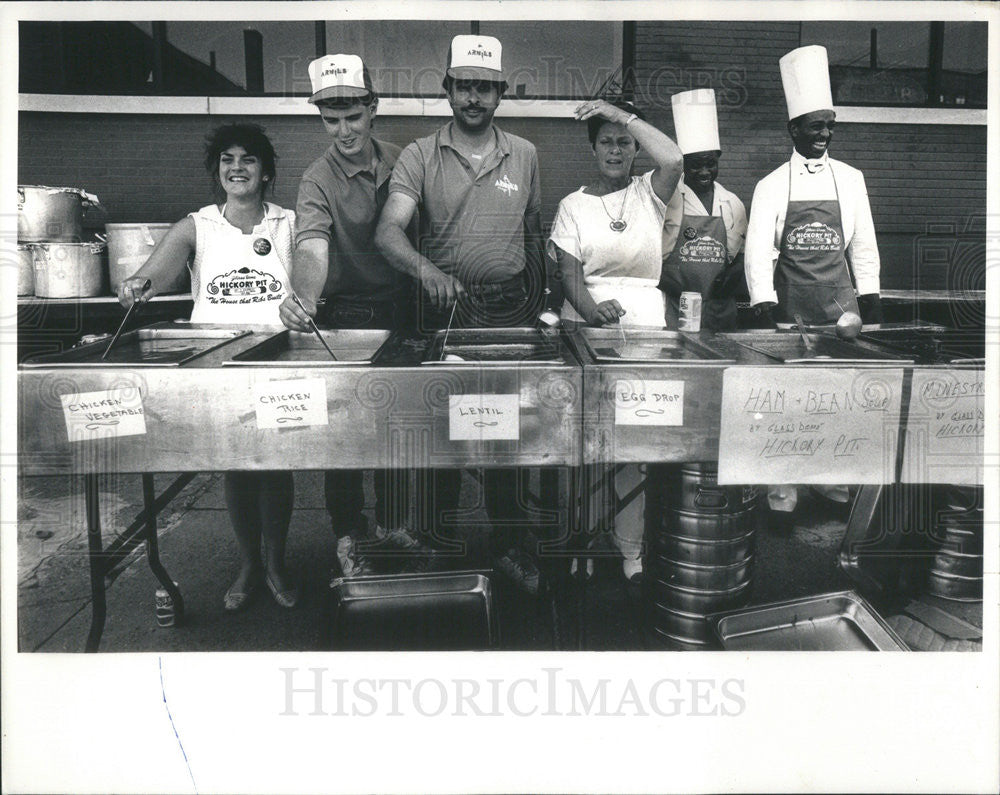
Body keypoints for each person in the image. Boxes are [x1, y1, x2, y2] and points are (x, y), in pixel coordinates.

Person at [375, 34, 546, 593]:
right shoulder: (420, 154)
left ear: (500, 93)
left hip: (506, 308)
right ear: (448, 89)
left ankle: (511, 548)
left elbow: (532, 229)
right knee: (442, 435)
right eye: (464, 86)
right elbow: (388, 231)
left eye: (485, 88)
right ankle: (437, 549)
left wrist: (540, 302)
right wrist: (427, 271)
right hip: (442, 307)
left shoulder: (523, 153)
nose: (474, 97)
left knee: (506, 433)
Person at [117, 123, 297, 611]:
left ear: (265, 172)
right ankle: (249, 564)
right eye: (227, 160)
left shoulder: (287, 223)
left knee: (278, 465)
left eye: (248, 160)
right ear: (217, 171)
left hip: (275, 360)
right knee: (237, 467)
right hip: (216, 366)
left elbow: (313, 277)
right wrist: (137, 283)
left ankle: (277, 563)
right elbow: (156, 269)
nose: (237, 168)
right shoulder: (199, 224)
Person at [278, 53, 423, 577]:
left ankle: (391, 525)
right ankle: (348, 533)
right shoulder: (317, 179)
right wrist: (304, 298)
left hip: (403, 308)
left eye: (352, 117)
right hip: (345, 315)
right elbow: (312, 246)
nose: (343, 130)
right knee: (344, 433)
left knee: (395, 426)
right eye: (330, 119)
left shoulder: (404, 158)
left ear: (373, 108)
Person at [547, 97, 684, 580]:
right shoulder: (573, 205)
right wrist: (593, 314)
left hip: (646, 328)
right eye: (606, 141)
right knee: (586, 444)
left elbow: (673, 158)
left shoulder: (652, 191)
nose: (615, 149)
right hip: (587, 330)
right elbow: (570, 278)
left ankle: (631, 547)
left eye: (623, 142)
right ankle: (582, 543)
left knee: (636, 444)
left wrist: (621, 114)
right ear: (593, 149)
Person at [745, 45, 881, 518]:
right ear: (794, 129)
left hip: (842, 313)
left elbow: (862, 244)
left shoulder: (851, 178)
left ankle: (831, 484)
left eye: (829, 125)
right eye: (815, 125)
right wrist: (764, 305)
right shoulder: (771, 184)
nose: (823, 133)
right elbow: (759, 250)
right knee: (788, 407)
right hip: (791, 312)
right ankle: (782, 491)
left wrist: (871, 299)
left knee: (838, 404)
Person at [660, 88, 747, 331]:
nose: (704, 172)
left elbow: (742, 254)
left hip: (720, 306)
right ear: (682, 164)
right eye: (696, 165)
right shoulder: (668, 199)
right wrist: (672, 284)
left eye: (711, 163)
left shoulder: (731, 203)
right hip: (676, 302)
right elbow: (649, 256)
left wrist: (733, 277)